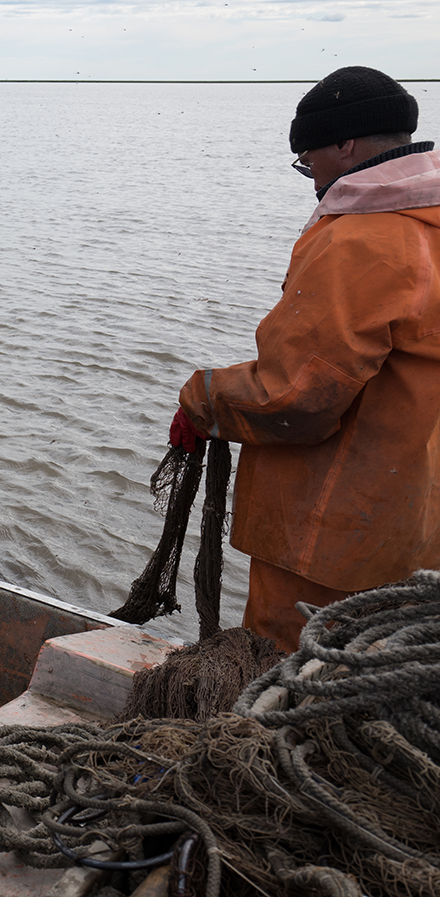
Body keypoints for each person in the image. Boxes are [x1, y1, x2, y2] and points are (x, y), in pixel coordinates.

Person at [173, 65, 440, 651]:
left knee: (289, 677)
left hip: (331, 537)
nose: (310, 174)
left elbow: (297, 394)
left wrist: (204, 401)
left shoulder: (361, 238)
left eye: (308, 158)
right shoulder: (430, 224)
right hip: (416, 524)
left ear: (344, 143)